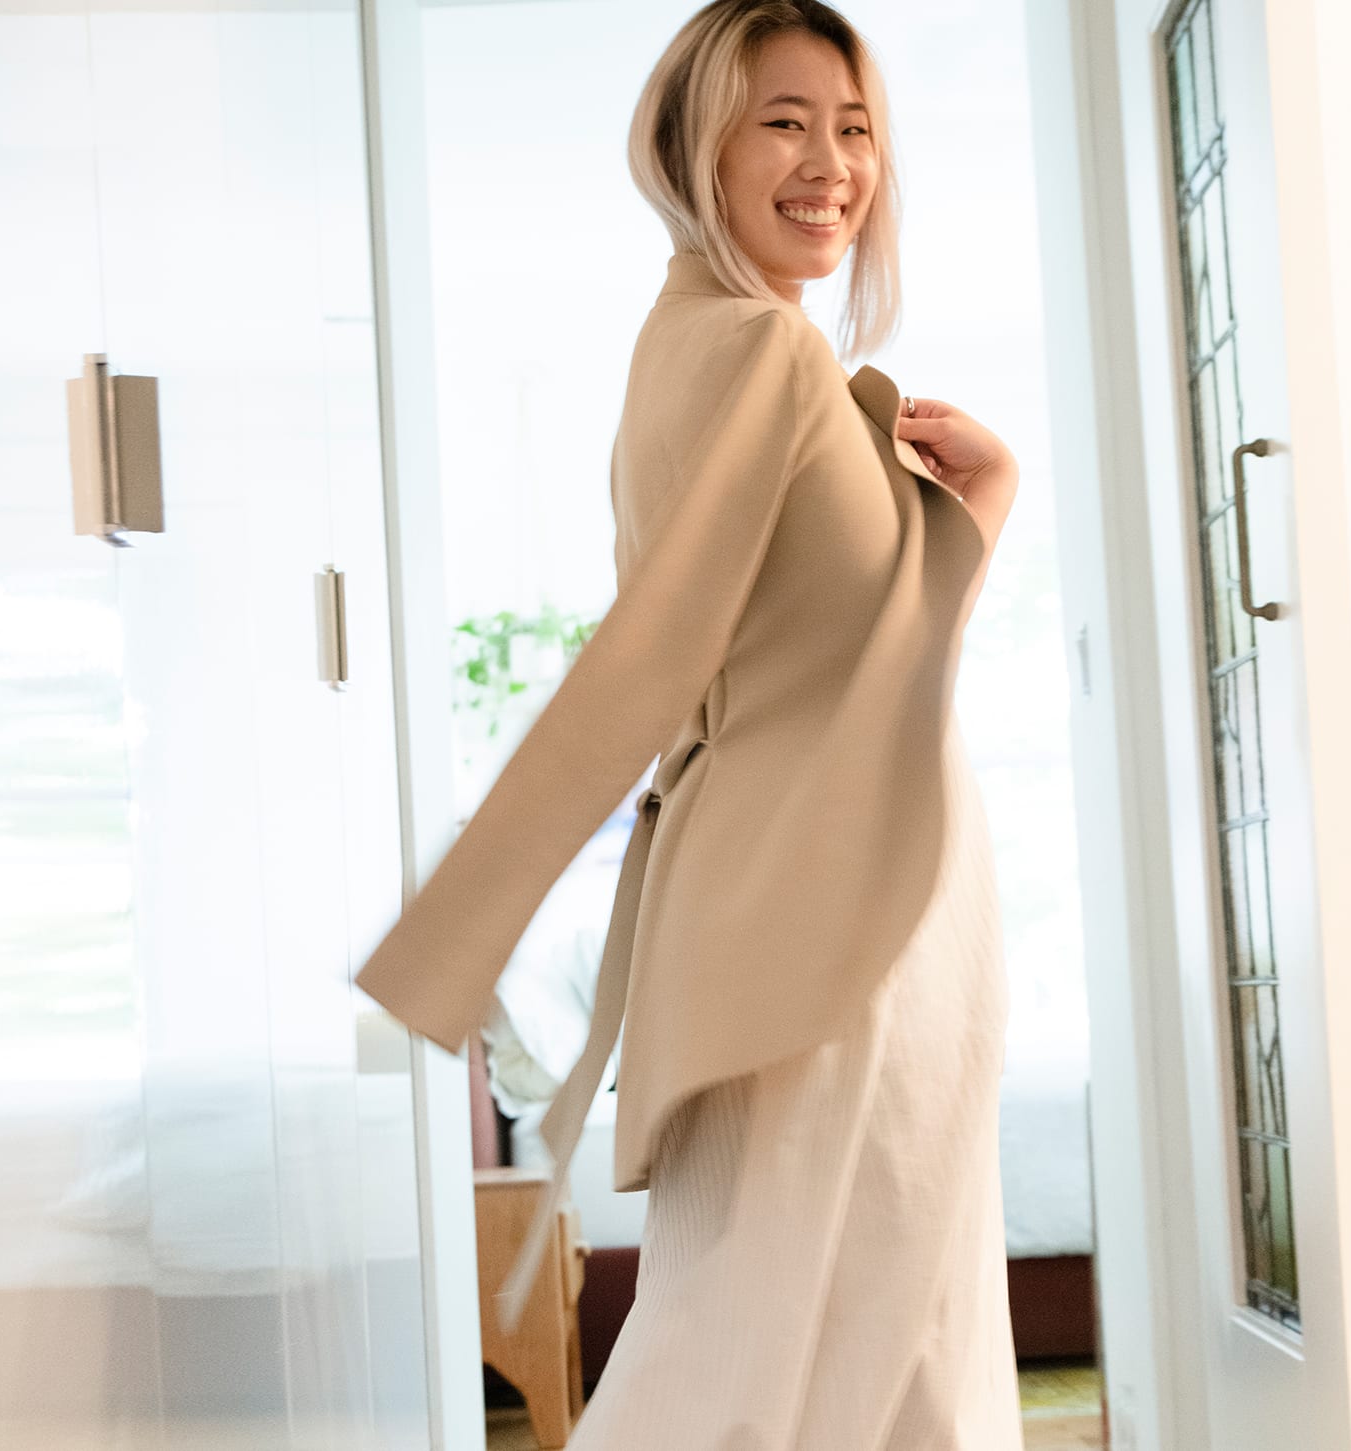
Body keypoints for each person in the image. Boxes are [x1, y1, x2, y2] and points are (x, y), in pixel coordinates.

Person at [351, 0, 1023, 1443]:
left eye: (854, 129)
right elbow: (650, 666)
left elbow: (848, 672)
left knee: (888, 1335)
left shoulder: (734, 350)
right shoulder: (754, 356)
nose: (831, 162)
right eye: (785, 121)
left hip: (857, 899)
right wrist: (455, 939)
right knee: (756, 1343)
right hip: (822, 914)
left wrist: (978, 513)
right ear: (692, 145)